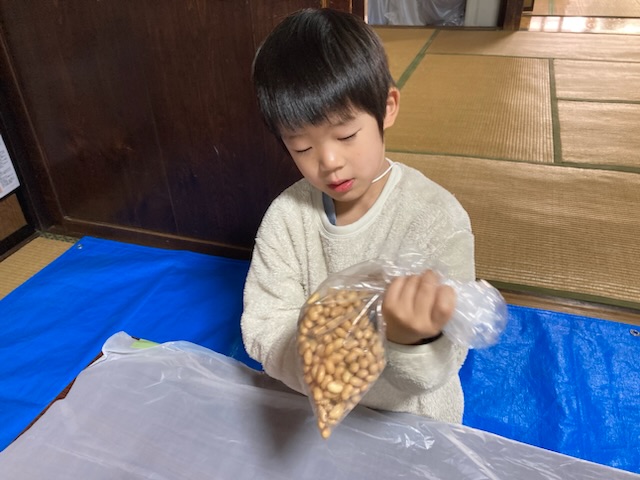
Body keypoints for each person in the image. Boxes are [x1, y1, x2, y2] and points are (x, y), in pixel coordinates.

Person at [241, 8, 475, 424]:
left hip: (410, 420)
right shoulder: (287, 218)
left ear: (387, 107)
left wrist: (412, 341)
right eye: (302, 147)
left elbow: (445, 363)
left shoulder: (436, 218)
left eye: (346, 135)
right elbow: (264, 326)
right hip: (318, 413)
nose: (329, 161)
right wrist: (325, 364)